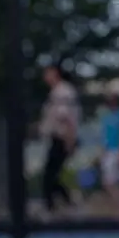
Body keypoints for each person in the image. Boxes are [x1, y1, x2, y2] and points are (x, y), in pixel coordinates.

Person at [37, 65, 82, 212]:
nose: (45, 77)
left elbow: (66, 118)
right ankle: (66, 201)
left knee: (49, 174)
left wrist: (69, 140)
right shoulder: (56, 91)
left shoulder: (63, 92)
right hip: (57, 137)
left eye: (47, 73)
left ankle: (53, 205)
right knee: (51, 173)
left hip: (62, 137)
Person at [99, 92, 119, 220]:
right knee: (109, 182)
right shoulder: (107, 117)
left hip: (116, 151)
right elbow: (104, 136)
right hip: (108, 151)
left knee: (112, 182)